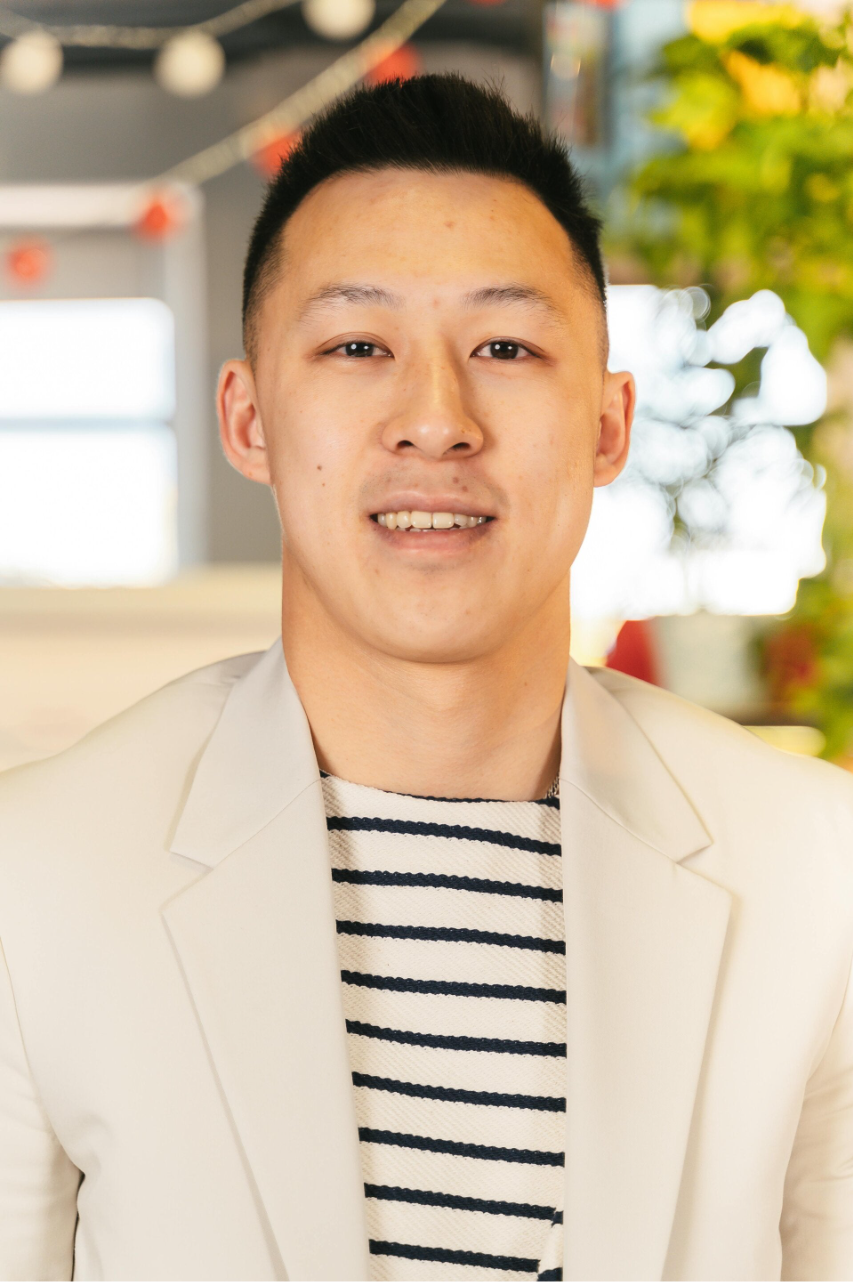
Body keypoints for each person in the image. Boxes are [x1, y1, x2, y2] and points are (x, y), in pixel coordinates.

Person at [0, 73, 851, 1282]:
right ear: (249, 418)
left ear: (608, 424)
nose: (436, 420)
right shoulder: (37, 877)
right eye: (357, 345)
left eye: (505, 346)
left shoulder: (815, 876)